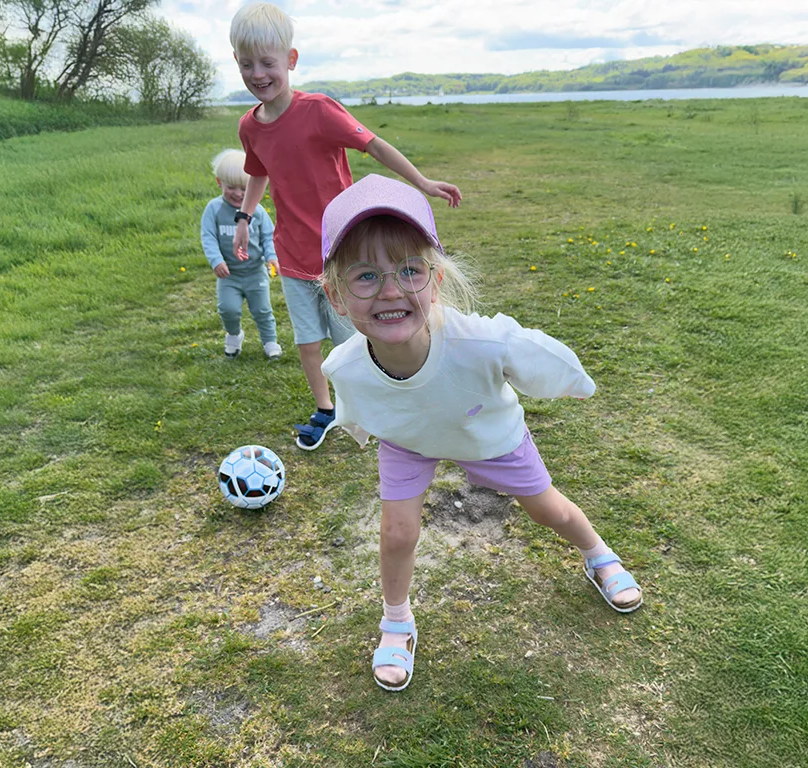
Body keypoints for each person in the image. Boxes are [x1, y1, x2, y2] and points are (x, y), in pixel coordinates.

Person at [319, 174, 643, 692]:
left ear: (437, 280)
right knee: (397, 533)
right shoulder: (346, 364)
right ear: (336, 296)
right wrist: (361, 431)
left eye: (409, 270)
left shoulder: (481, 342)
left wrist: (574, 382)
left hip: (484, 431)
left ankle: (597, 553)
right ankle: (396, 620)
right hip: (410, 439)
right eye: (365, 277)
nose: (391, 290)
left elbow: (535, 353)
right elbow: (355, 405)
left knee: (547, 509)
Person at [228, 2, 461, 450]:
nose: (258, 74)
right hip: (293, 254)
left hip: (342, 250)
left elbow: (374, 146)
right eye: (246, 64)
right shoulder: (249, 127)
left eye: (268, 63)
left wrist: (422, 182)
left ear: (290, 61)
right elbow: (258, 172)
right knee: (309, 341)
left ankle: (380, 399)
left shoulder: (319, 110)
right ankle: (327, 409)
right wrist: (245, 217)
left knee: (355, 336)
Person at [201, 149, 282, 360]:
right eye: (231, 187)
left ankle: (270, 341)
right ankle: (234, 335)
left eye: (244, 188)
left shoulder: (258, 211)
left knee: (262, 310)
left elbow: (268, 236)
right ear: (219, 182)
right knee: (228, 309)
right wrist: (216, 260)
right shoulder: (214, 209)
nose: (238, 194)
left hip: (255, 272)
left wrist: (272, 257)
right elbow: (208, 237)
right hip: (229, 275)